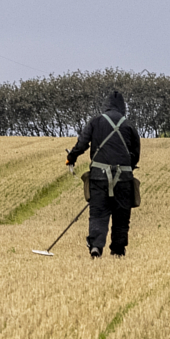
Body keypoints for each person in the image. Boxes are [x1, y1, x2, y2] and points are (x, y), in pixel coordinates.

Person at [65, 90, 141, 258]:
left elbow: (82, 143)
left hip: (99, 178)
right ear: (123, 107)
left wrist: (71, 157)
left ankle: (96, 246)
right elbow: (135, 154)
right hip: (124, 180)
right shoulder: (129, 125)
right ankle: (118, 250)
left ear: (106, 105)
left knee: (98, 214)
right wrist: (128, 167)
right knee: (121, 217)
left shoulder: (96, 121)